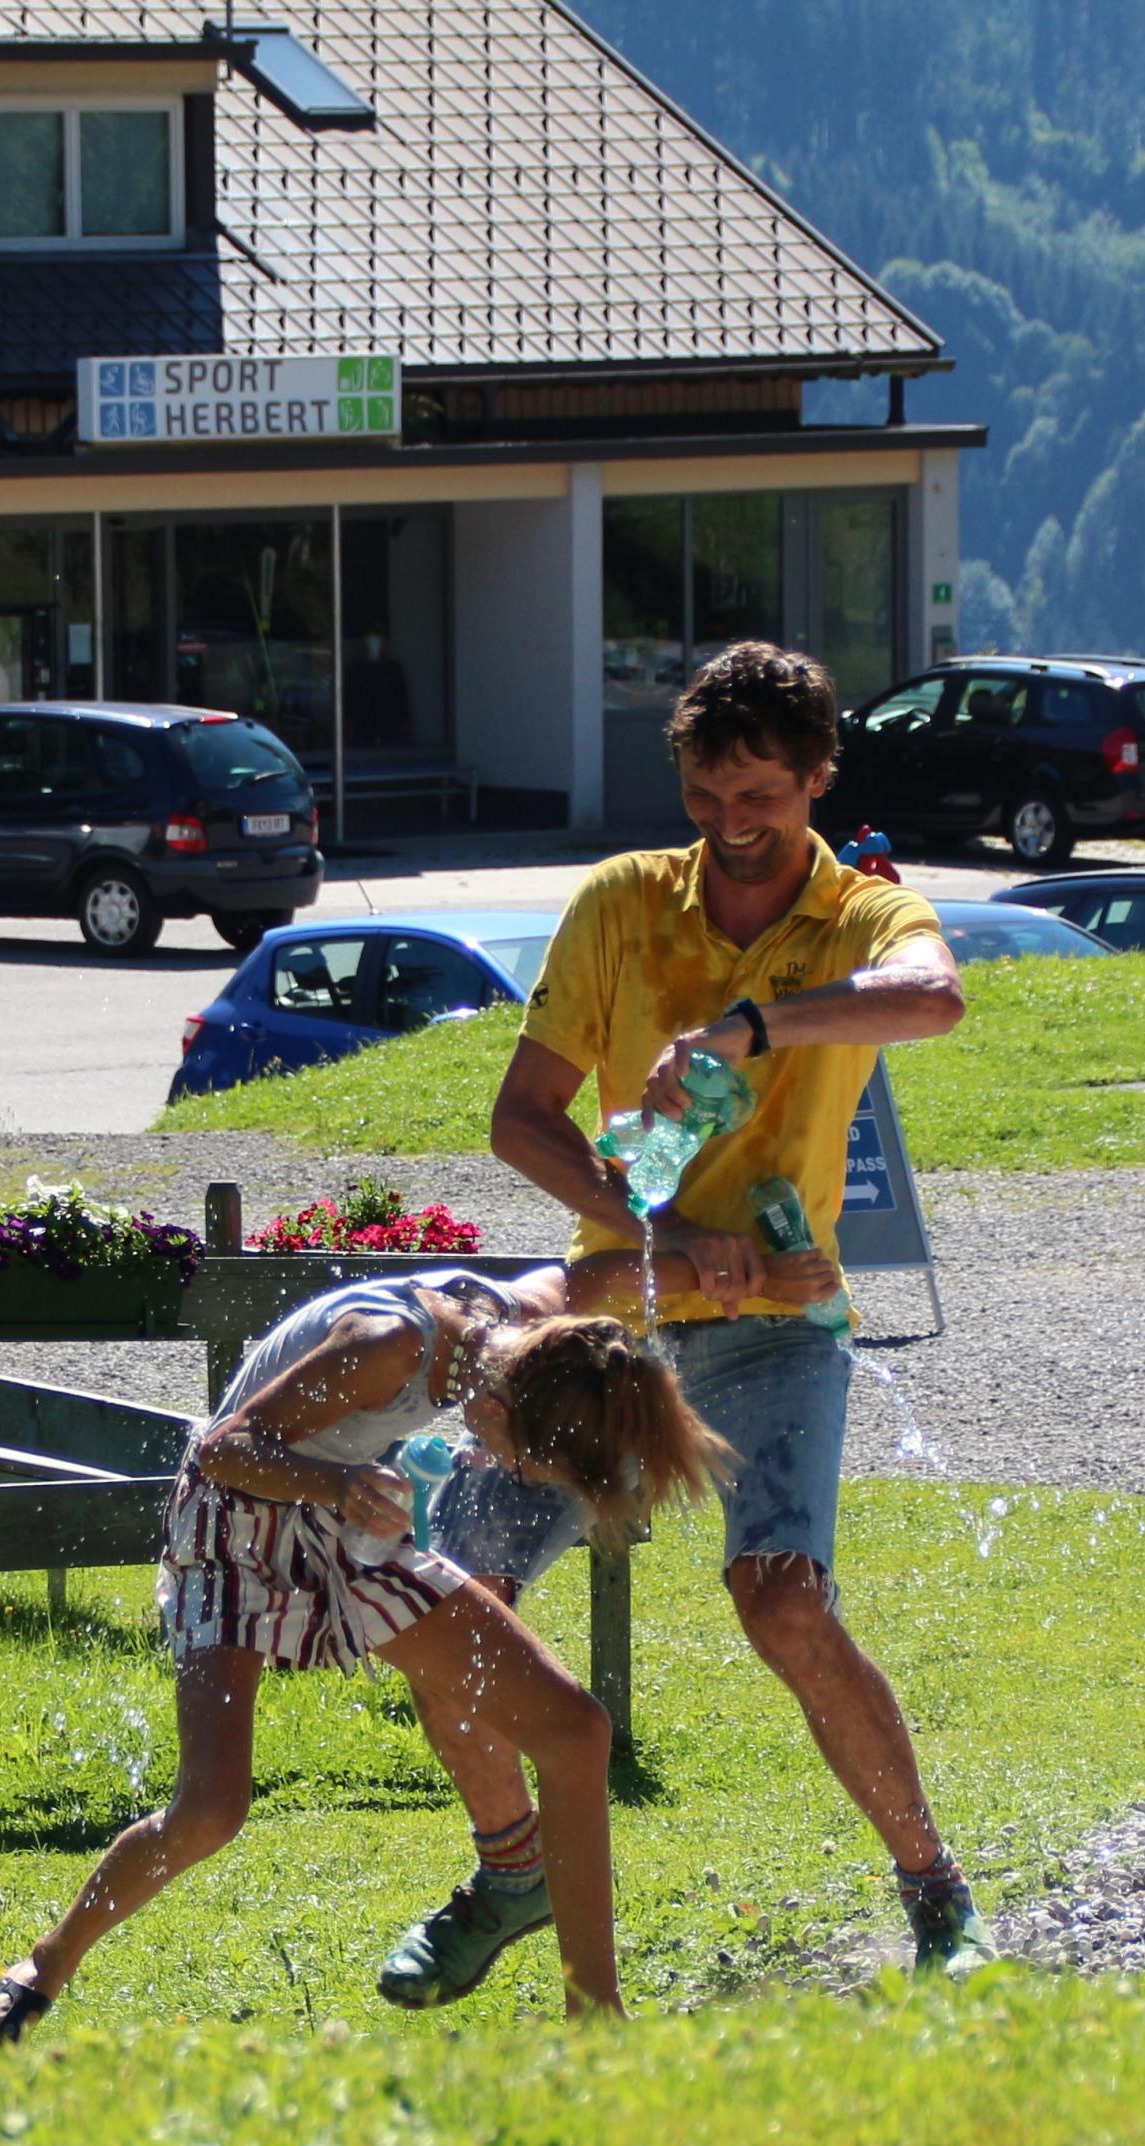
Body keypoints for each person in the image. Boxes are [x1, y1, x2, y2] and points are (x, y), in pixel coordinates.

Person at [386, 639, 984, 2004]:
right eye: (707, 796)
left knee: (781, 1603)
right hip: (615, 1310)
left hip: (779, 1321)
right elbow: (521, 1120)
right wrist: (655, 1238)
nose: (732, 823)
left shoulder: (863, 914)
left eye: (760, 794)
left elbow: (938, 998)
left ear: (820, 776)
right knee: (447, 1600)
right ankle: (510, 1874)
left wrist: (748, 1029)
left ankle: (936, 1892)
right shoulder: (620, 902)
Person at [0, 1258, 731, 2044]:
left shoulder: (520, 1326)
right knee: (211, 1809)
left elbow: (582, 1271)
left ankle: (597, 2025)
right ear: (496, 1407)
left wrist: (712, 1261)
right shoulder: (389, 1344)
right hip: (235, 1522)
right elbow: (222, 1449)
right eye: (522, 1459)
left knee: (576, 1731)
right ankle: (41, 1971)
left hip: (342, 1511)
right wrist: (340, 1486)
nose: (506, 1468)